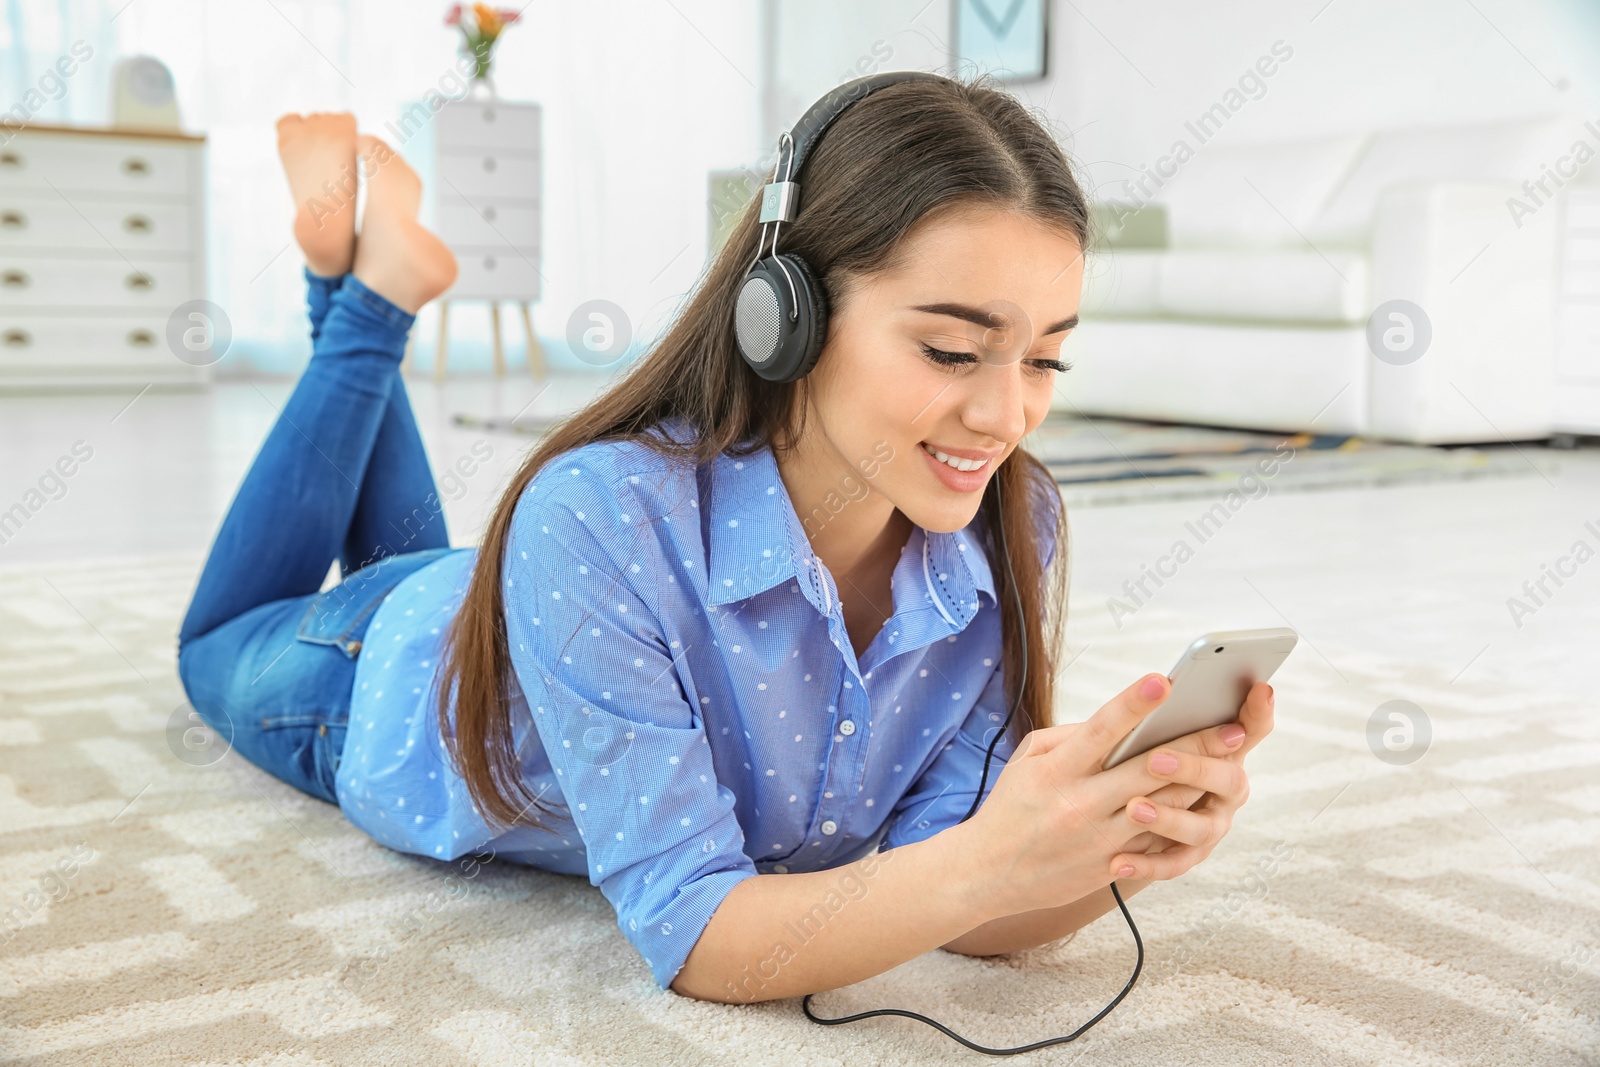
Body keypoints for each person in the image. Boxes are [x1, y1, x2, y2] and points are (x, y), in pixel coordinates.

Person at [176, 75, 1274, 1008]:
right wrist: (988, 858)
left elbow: (961, 893)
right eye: (951, 351)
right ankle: (365, 301)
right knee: (212, 643)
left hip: (537, 606)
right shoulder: (593, 513)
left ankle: (356, 276)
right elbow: (700, 936)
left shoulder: (1008, 523)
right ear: (781, 311)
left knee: (397, 549)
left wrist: (1115, 843)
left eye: (1045, 360)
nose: (1005, 415)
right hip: (378, 667)